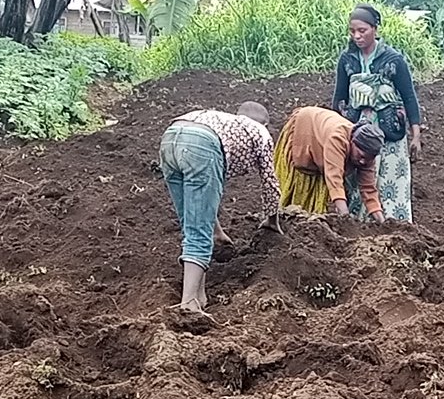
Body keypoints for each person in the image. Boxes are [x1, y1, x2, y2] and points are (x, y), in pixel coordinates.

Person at [159, 102, 279, 314]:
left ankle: (199, 295)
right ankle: (188, 304)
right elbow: (270, 181)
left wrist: (217, 231)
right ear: (266, 124)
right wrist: (272, 219)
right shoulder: (260, 132)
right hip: (201, 146)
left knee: (192, 224)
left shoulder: (224, 121)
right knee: (198, 231)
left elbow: (198, 207)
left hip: (171, 138)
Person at [332, 3, 423, 223]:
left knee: (389, 178)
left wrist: (416, 135)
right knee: (357, 176)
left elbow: (409, 97)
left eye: (362, 31)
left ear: (375, 29)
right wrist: (335, 128)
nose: (357, 36)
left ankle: (392, 224)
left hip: (389, 128)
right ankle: (355, 223)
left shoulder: (393, 60)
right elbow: (339, 97)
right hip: (358, 128)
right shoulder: (347, 60)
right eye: (352, 31)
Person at [273, 106, 386, 221]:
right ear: (352, 142)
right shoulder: (337, 138)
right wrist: (345, 218)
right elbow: (334, 178)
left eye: (367, 159)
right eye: (360, 156)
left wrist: (382, 223)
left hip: (324, 136)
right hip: (305, 127)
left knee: (318, 205)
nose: (363, 161)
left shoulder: (367, 155)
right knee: (299, 183)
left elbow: (368, 188)